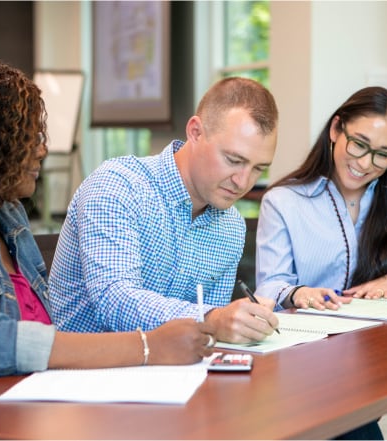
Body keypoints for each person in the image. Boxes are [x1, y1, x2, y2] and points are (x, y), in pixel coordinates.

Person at [0, 57, 215, 403]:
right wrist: (146, 346)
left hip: (21, 401)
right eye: (26, 137)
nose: (42, 149)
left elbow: (42, 330)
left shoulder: (7, 214)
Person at [255, 86, 387, 440]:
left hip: (376, 358)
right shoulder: (283, 201)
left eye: (383, 154)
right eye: (359, 145)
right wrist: (299, 293)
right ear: (337, 129)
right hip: (305, 363)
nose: (365, 164)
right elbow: (270, 286)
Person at [49, 77, 280, 344]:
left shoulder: (231, 227)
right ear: (195, 132)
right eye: (233, 160)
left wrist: (238, 326)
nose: (243, 182)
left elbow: (207, 338)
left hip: (168, 365)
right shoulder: (118, 186)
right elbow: (114, 300)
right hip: (82, 364)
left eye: (258, 168)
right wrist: (212, 319)